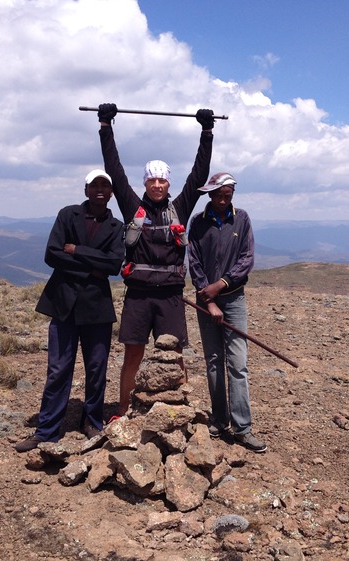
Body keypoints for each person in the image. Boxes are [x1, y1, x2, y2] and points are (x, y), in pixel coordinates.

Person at [96, 102, 214, 417]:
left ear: (168, 183)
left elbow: (198, 173)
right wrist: (106, 127)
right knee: (133, 355)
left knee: (175, 355)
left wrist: (206, 132)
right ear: (146, 182)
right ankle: (123, 409)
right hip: (139, 295)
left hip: (171, 297)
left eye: (162, 180)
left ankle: (180, 410)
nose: (158, 185)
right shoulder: (132, 205)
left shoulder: (182, 206)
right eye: (152, 180)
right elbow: (114, 170)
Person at [15, 169, 125, 452]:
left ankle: (91, 422)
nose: (100, 189)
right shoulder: (67, 214)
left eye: (105, 185)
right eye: (94, 185)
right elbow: (51, 254)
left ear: (111, 192)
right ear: (86, 189)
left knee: (97, 368)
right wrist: (93, 268)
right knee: (58, 369)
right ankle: (47, 429)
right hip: (64, 304)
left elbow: (113, 265)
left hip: (96, 309)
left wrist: (76, 251)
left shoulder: (116, 226)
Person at [187, 172, 266, 453]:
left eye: (228, 194)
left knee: (238, 364)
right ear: (210, 194)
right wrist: (208, 300)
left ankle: (242, 428)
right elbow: (194, 262)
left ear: (233, 194)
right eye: (219, 194)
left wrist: (221, 285)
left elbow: (247, 259)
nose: (222, 199)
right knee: (213, 360)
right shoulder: (197, 222)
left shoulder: (241, 219)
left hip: (233, 300)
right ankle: (219, 421)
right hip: (206, 301)